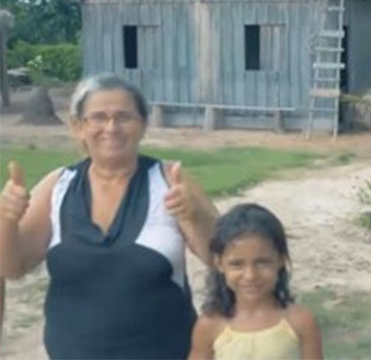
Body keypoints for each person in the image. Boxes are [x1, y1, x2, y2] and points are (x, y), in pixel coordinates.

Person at [0, 73, 219, 359]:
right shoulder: (58, 186)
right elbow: (12, 268)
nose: (111, 127)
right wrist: (7, 219)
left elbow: (223, 260)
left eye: (123, 117)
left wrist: (194, 217)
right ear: (79, 127)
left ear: (143, 125)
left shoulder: (170, 181)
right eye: (98, 117)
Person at [188, 203, 323, 360]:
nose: (250, 275)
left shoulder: (300, 321)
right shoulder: (209, 327)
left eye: (262, 262)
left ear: (280, 260)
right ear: (219, 263)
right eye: (237, 264)